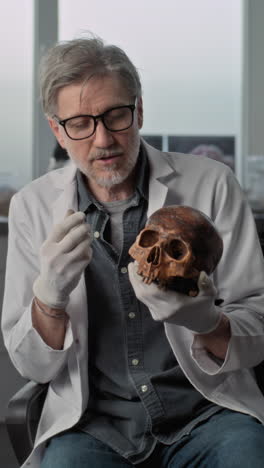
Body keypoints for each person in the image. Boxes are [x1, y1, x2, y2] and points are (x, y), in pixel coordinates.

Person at [2, 35, 264, 468]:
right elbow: (32, 366)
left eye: (116, 116)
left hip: (207, 413)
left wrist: (205, 321)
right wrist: (49, 299)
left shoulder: (213, 183)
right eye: (80, 123)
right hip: (94, 426)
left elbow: (258, 322)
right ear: (57, 130)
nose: (103, 139)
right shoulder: (32, 207)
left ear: (139, 110)